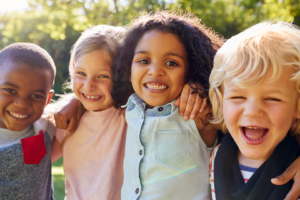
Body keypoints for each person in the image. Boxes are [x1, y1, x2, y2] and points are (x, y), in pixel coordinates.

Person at [51, 24, 205, 200]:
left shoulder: (134, 113)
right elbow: (35, 163)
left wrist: (196, 85)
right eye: (81, 73)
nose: (88, 86)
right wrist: (74, 100)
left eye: (103, 76)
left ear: (124, 75)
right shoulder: (67, 119)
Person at [111, 11, 223, 200]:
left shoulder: (199, 111)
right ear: (128, 70)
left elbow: (243, 110)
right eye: (143, 61)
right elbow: (90, 93)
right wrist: (74, 103)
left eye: (171, 63)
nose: (155, 71)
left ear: (191, 70)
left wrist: (202, 87)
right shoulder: (130, 107)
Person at [209, 21, 300, 200]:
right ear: (221, 100)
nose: (252, 111)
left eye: (272, 98)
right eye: (238, 97)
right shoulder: (214, 156)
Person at [0, 43, 56, 199]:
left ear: (48, 100)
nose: (22, 104)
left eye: (36, 96)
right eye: (10, 91)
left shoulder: (44, 127)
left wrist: (72, 103)